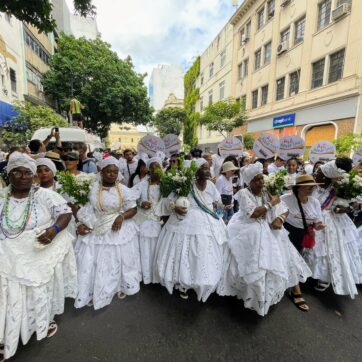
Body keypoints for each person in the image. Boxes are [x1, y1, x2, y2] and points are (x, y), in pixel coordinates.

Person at [0, 152, 76, 361]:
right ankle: (7, 337)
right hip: (7, 253)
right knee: (8, 296)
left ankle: (40, 322)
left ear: (33, 175)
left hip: (37, 251)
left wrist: (54, 230)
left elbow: (66, 213)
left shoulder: (44, 195)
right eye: (17, 172)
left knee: (37, 292)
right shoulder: (2, 195)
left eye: (27, 172)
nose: (23, 176)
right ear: (9, 175)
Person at [219, 163, 311, 316]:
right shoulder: (243, 193)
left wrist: (280, 218)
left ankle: (285, 292)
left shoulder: (266, 191)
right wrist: (271, 204)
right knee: (253, 262)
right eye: (256, 180)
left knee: (283, 256)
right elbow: (253, 213)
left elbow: (283, 209)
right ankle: (252, 296)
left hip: (268, 227)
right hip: (248, 227)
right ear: (249, 182)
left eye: (262, 178)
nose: (261, 182)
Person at [154, 158, 228, 301]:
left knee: (205, 252)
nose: (208, 171)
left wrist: (221, 207)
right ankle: (184, 282)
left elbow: (217, 201)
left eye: (209, 168)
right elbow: (168, 200)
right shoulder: (186, 184)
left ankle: (203, 281)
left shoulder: (211, 185)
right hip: (186, 220)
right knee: (186, 252)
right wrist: (175, 207)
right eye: (204, 168)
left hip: (208, 220)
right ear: (196, 171)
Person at [74, 157, 141, 310]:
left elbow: (133, 209)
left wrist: (122, 216)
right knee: (95, 260)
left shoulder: (123, 189)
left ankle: (117, 285)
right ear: (101, 172)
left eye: (115, 172)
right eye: (108, 171)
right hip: (96, 225)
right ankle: (94, 290)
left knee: (116, 259)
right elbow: (86, 209)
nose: (112, 174)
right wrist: (82, 223)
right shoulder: (92, 188)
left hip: (117, 228)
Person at [303, 159, 362, 297]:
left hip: (330, 220)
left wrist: (345, 208)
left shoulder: (341, 188)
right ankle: (305, 271)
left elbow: (353, 204)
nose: (316, 173)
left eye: (320, 172)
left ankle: (325, 277)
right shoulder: (314, 184)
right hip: (309, 215)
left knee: (327, 249)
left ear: (327, 176)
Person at [281, 175, 325, 311]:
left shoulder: (315, 202)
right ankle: (296, 291)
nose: (312, 188)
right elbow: (276, 215)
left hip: (304, 235)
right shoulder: (286, 199)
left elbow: (318, 219)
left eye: (313, 186)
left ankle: (290, 284)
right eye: (308, 186)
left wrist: (319, 225)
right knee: (293, 260)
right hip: (286, 233)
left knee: (296, 260)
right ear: (298, 187)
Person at [135, 157, 162, 284]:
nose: (155, 169)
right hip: (145, 219)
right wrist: (141, 203)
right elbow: (133, 198)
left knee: (159, 247)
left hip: (160, 220)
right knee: (145, 247)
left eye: (158, 166)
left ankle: (157, 275)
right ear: (148, 169)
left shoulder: (166, 184)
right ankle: (146, 275)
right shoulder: (142, 184)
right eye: (152, 167)